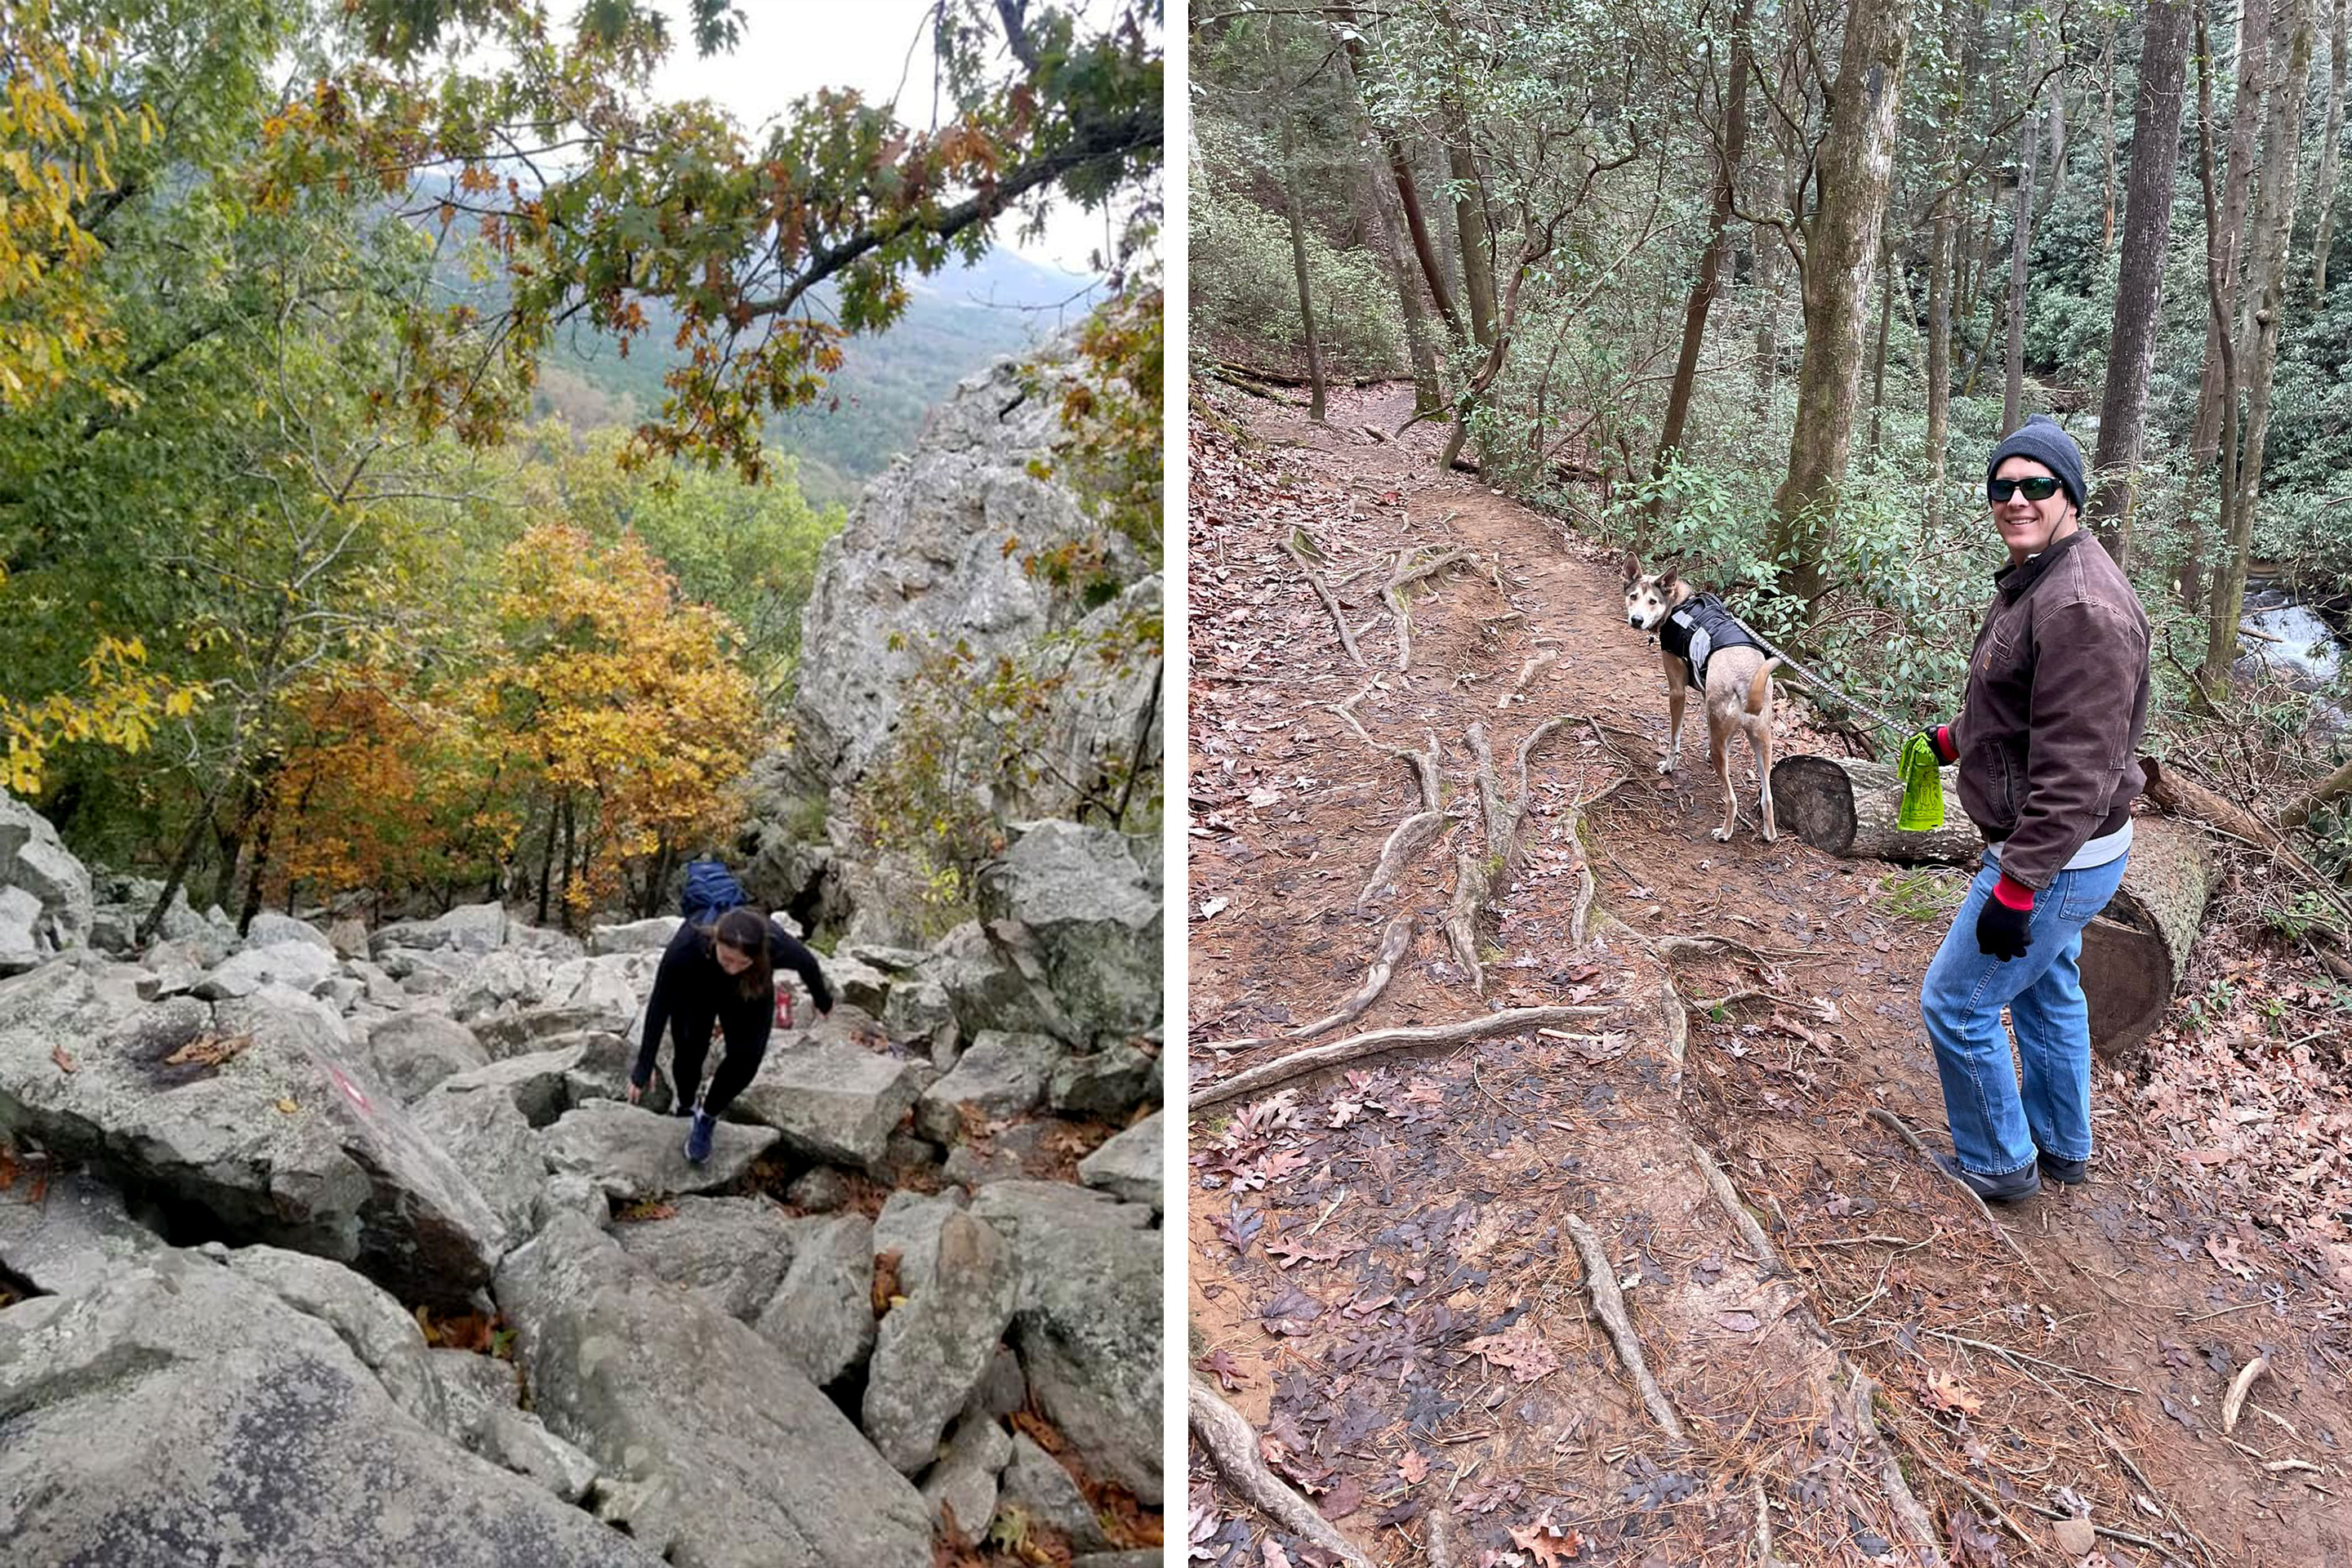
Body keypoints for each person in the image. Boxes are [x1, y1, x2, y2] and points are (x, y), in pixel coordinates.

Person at [1913, 415, 2151, 1202]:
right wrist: (1958, 739)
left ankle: (1998, 1164)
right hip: (2067, 851)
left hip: (2051, 856)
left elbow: (2078, 772)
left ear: (2070, 495)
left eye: (2038, 485)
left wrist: (2016, 889)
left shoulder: (2079, 606)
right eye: (2003, 486)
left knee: (1955, 1003)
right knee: (2049, 990)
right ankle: (2063, 1145)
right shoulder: (2040, 574)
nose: (2018, 498)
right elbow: (2030, 709)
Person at [627, 904, 835, 1163]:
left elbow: (808, 964)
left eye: (742, 961)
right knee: (690, 1048)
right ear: (715, 940)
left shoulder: (773, 943)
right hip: (697, 986)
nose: (733, 968)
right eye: (727, 959)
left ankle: (707, 1115)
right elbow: (660, 1004)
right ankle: (687, 1104)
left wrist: (822, 1000)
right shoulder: (685, 948)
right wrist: (643, 1066)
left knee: (747, 1056)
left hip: (749, 990)